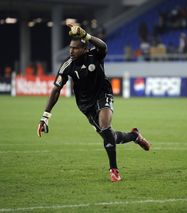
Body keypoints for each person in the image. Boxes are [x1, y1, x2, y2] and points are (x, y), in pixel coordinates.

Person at [37, 24, 151, 182]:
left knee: (105, 126)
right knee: (110, 137)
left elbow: (104, 46)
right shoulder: (67, 65)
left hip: (103, 95)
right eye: (70, 47)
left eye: (75, 48)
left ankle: (114, 170)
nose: (71, 51)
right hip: (86, 106)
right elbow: (56, 90)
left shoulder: (95, 55)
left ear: (84, 48)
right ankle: (134, 136)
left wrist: (87, 36)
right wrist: (45, 117)